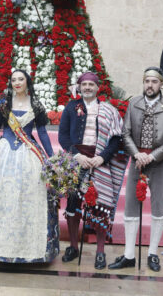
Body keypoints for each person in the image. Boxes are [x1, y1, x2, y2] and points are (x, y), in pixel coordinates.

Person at [0, 69, 58, 263]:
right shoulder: (3, 104)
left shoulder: (36, 105)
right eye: (13, 79)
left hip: (29, 154)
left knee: (28, 196)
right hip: (2, 152)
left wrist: (52, 158)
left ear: (27, 81)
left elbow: (41, 133)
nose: (17, 82)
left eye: (20, 79)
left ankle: (25, 248)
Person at [109, 67, 163, 272]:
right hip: (137, 161)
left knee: (158, 206)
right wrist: (137, 154)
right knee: (131, 206)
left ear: (161, 85)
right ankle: (129, 255)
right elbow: (126, 133)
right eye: (147, 81)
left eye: (154, 81)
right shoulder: (134, 103)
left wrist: (152, 156)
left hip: (160, 162)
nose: (150, 85)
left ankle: (152, 254)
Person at [58, 72, 124, 269]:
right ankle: (72, 247)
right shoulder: (71, 107)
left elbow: (116, 139)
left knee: (100, 207)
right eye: (84, 84)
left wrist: (101, 157)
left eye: (91, 85)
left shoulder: (109, 110)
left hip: (100, 162)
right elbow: (63, 137)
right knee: (72, 205)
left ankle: (101, 251)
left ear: (97, 88)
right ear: (79, 87)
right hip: (77, 161)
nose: (87, 87)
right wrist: (77, 156)